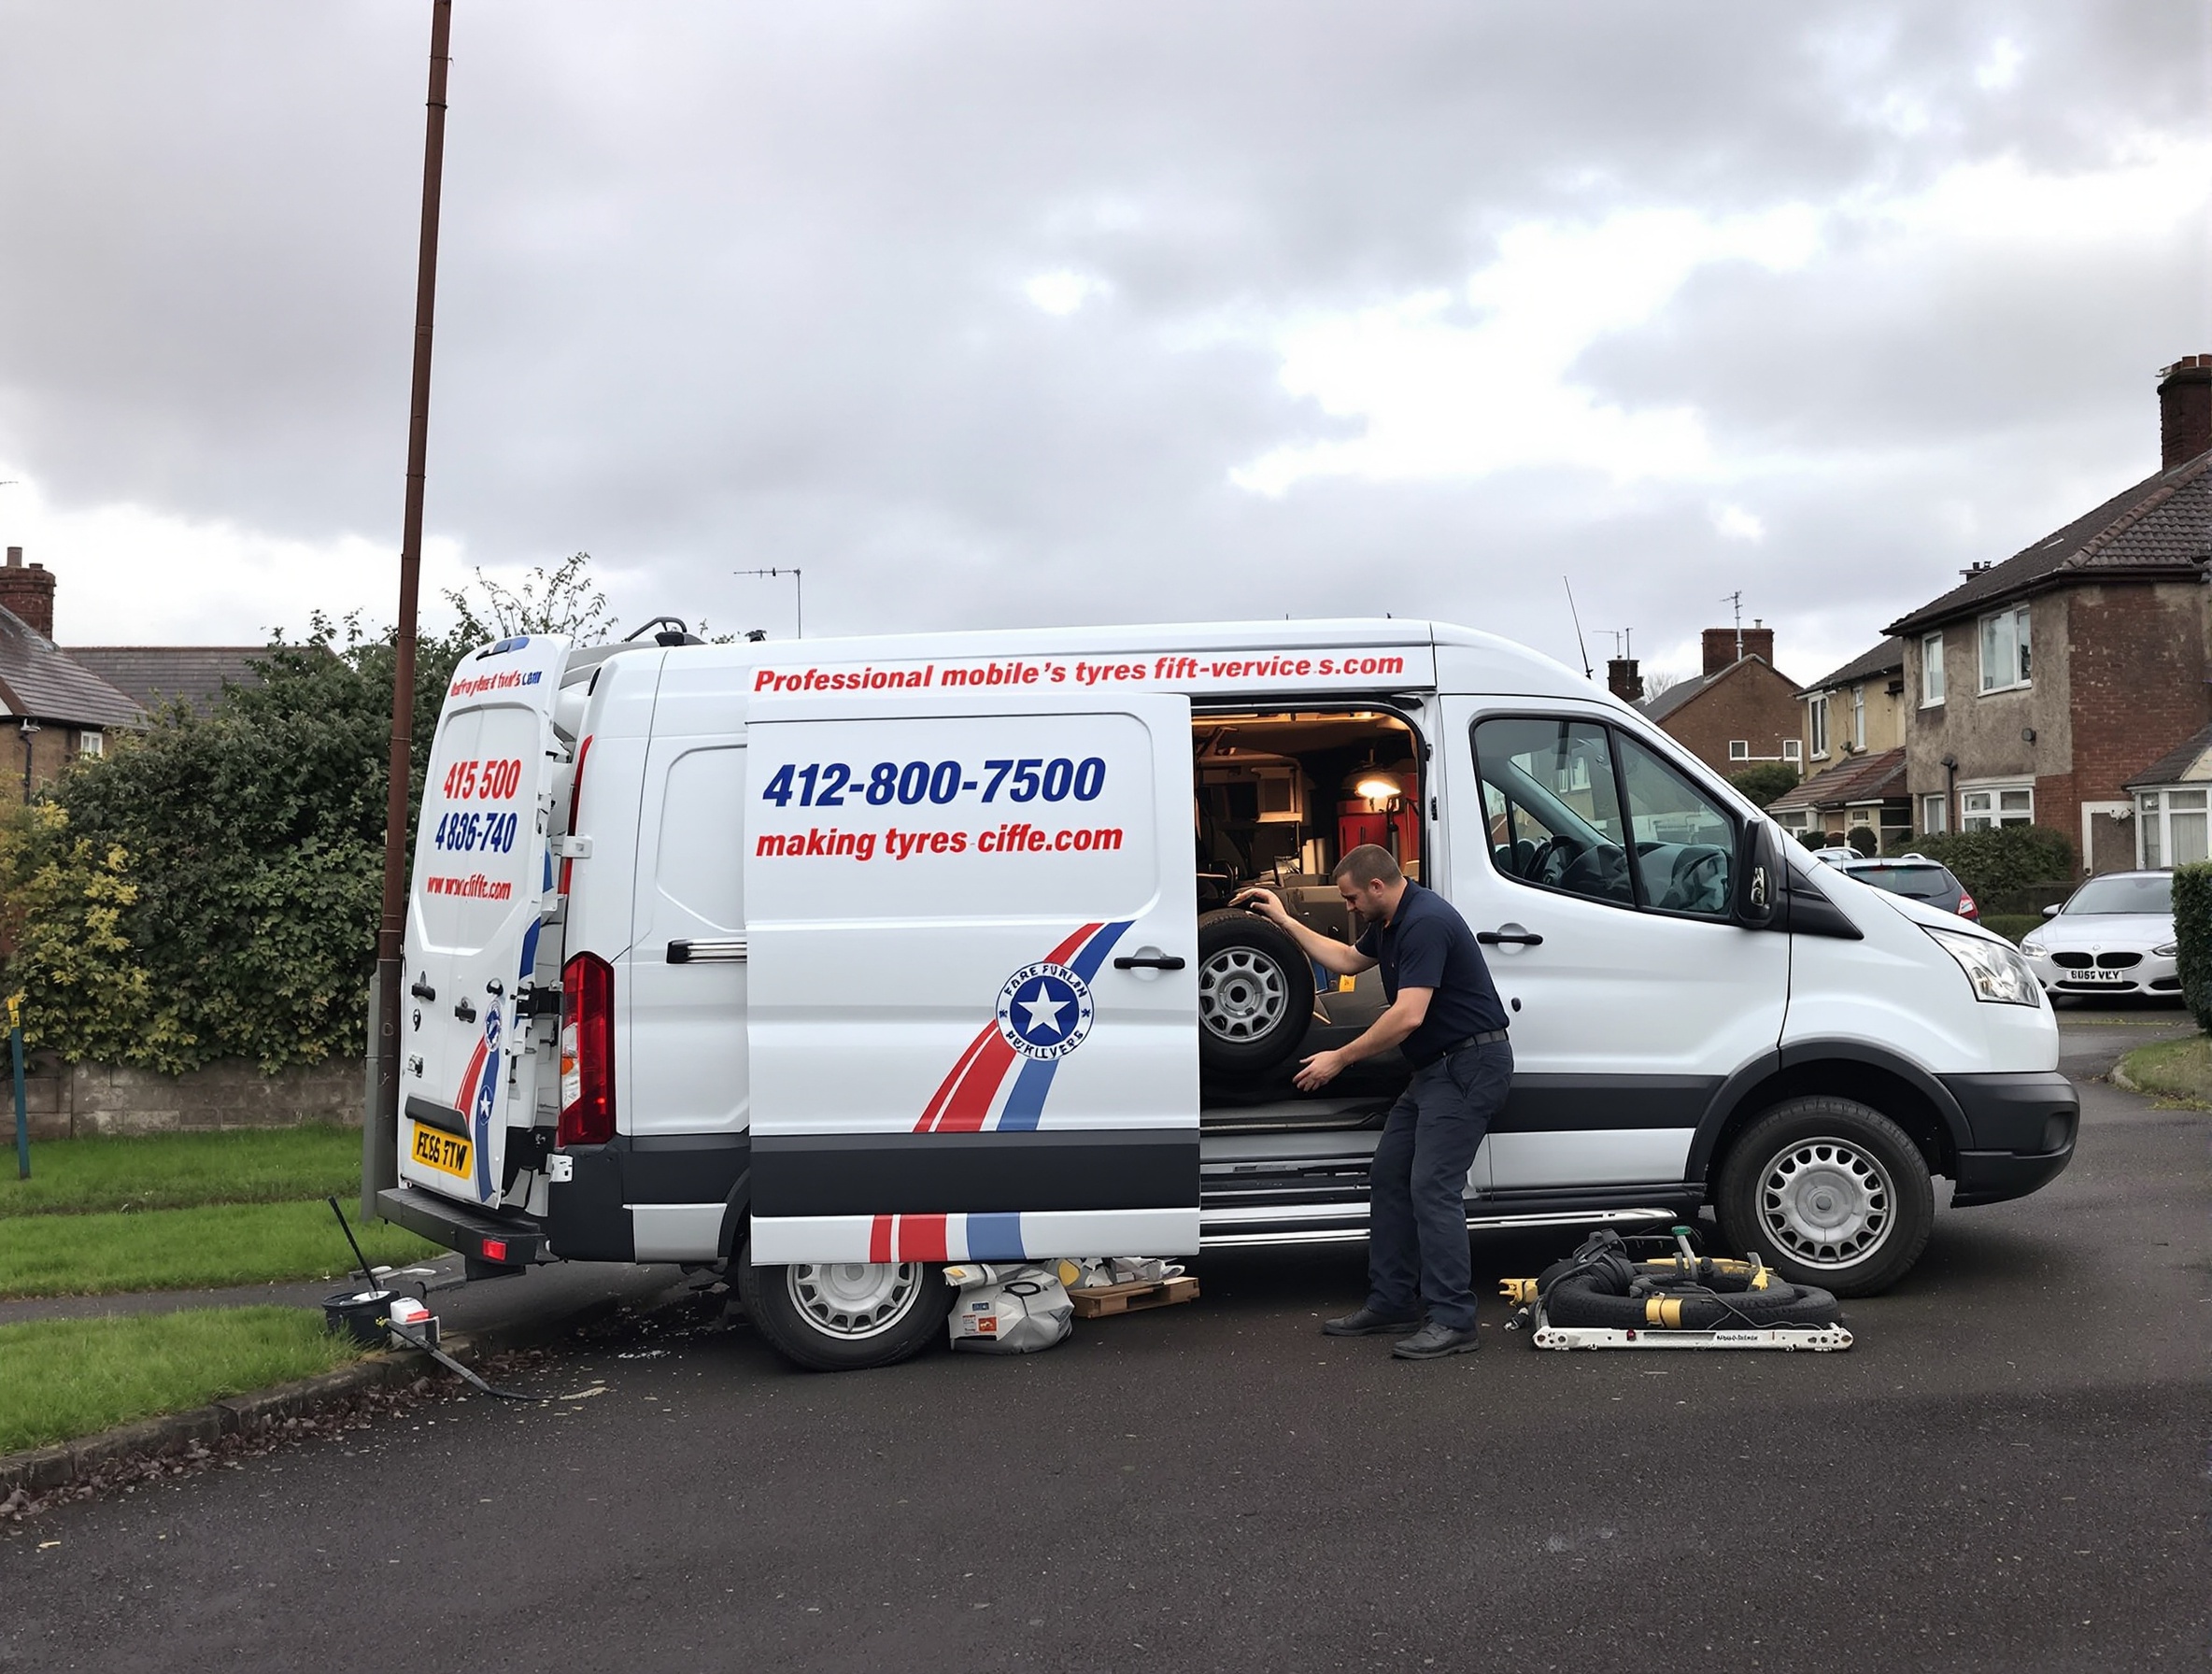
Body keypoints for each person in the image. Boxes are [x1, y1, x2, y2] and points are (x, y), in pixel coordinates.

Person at [1234, 844, 1511, 1359]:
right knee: (1390, 1176)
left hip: (1469, 1066)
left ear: (1378, 886)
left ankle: (1454, 1320)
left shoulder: (1425, 921)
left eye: (1353, 897)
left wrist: (1339, 1058)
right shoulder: (1390, 922)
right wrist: (1283, 917)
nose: (1351, 906)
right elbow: (1344, 959)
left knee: (1433, 1188)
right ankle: (1392, 1303)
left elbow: (1408, 1015)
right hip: (1435, 1070)